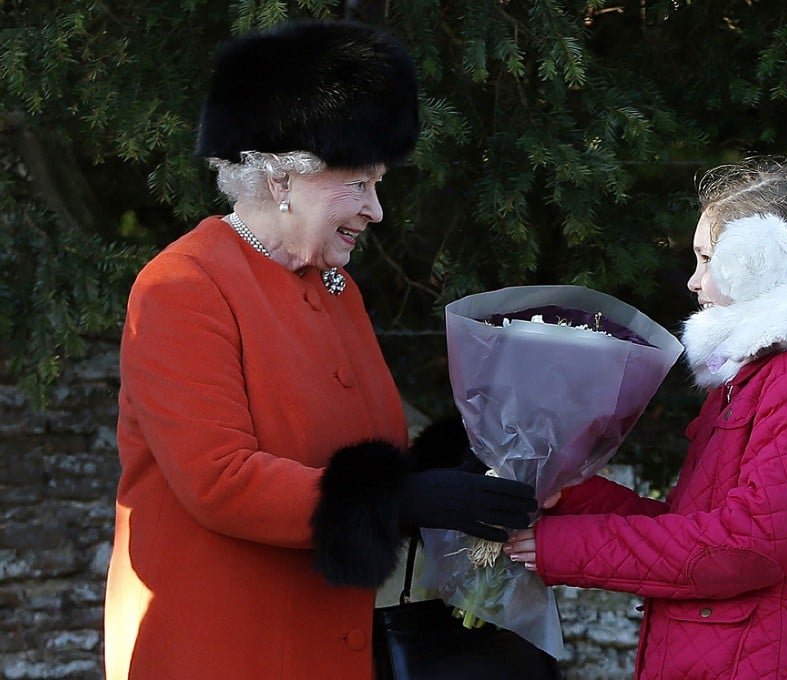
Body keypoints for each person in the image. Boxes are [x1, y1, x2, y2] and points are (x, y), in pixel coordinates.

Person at [103, 20, 536, 680]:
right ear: (281, 180)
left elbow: (364, 451)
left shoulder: (335, 287)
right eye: (359, 184)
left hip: (329, 648)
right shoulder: (182, 285)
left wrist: (468, 467)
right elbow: (220, 481)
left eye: (377, 184)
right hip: (220, 650)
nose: (377, 210)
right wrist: (405, 500)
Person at [505, 157, 787, 679]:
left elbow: (745, 548)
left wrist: (559, 547)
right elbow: (690, 532)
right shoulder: (760, 375)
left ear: (764, 261)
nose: (694, 281)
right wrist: (569, 496)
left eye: (709, 259)